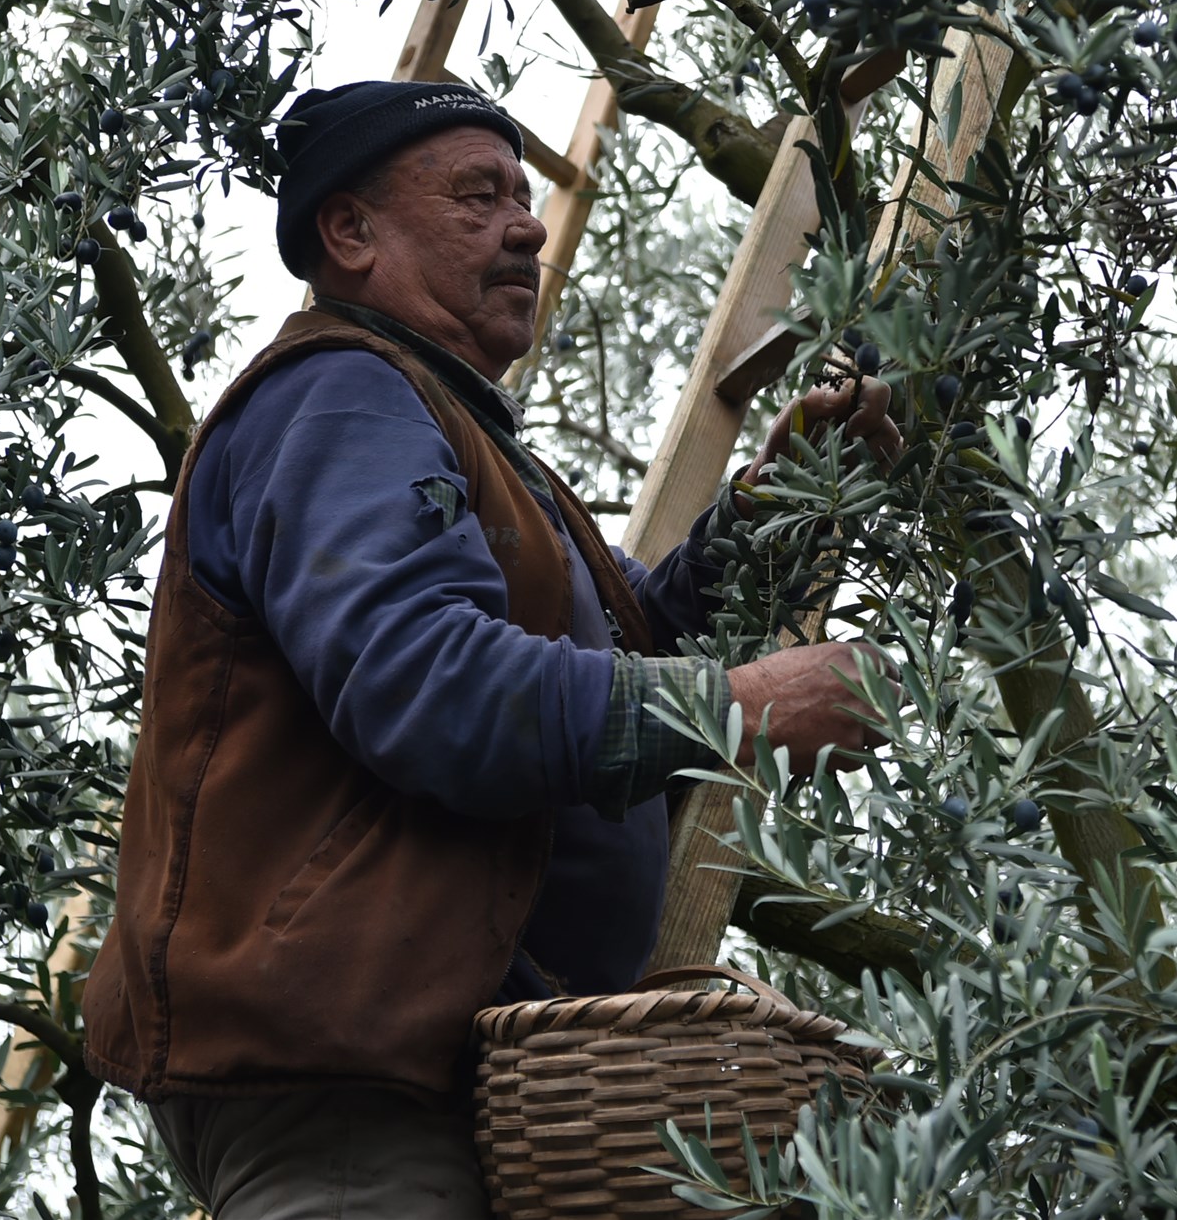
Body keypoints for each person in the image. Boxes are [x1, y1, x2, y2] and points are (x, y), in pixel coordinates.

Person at [80, 79, 901, 1219]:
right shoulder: (340, 397)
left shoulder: (457, 434)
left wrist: (777, 499)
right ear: (350, 232)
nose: (526, 223)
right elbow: (427, 685)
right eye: (478, 196)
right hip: (349, 1097)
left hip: (468, 1085)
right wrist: (743, 707)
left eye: (526, 194)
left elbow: (630, 640)